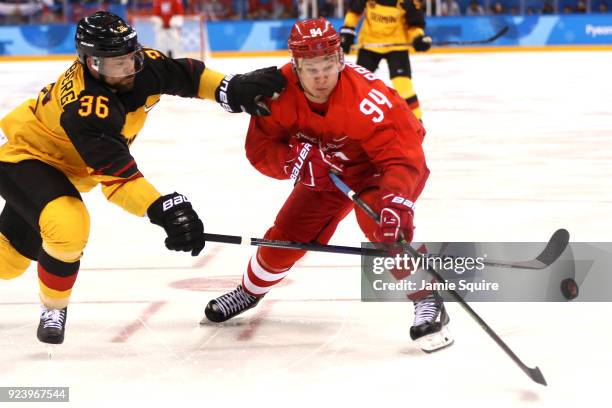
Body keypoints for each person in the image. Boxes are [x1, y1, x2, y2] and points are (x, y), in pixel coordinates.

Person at [0, 10, 286, 345]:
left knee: (9, 262)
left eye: (130, 59)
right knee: (67, 225)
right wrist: (162, 209)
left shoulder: (142, 65)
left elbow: (188, 75)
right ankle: (53, 309)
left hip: (67, 168)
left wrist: (230, 89)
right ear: (90, 63)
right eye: (115, 64)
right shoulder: (87, 107)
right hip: (25, 154)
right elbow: (118, 180)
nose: (128, 70)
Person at [204, 18, 453, 353]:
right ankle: (250, 291)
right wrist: (294, 161)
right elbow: (261, 149)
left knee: (384, 224)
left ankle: (427, 297)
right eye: (310, 68)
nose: (321, 77)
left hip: (376, 171)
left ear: (340, 60)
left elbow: (405, 157)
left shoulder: (371, 99)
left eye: (327, 65)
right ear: (295, 65)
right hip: (325, 175)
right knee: (285, 238)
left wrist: (396, 201)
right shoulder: (275, 91)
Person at [339, 0, 432, 121]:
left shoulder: (408, 2)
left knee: (403, 85)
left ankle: (416, 120)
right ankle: (351, 119)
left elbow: (414, 25)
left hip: (397, 46)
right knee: (358, 85)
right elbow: (354, 12)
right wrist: (348, 30)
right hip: (369, 44)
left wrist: (418, 37)